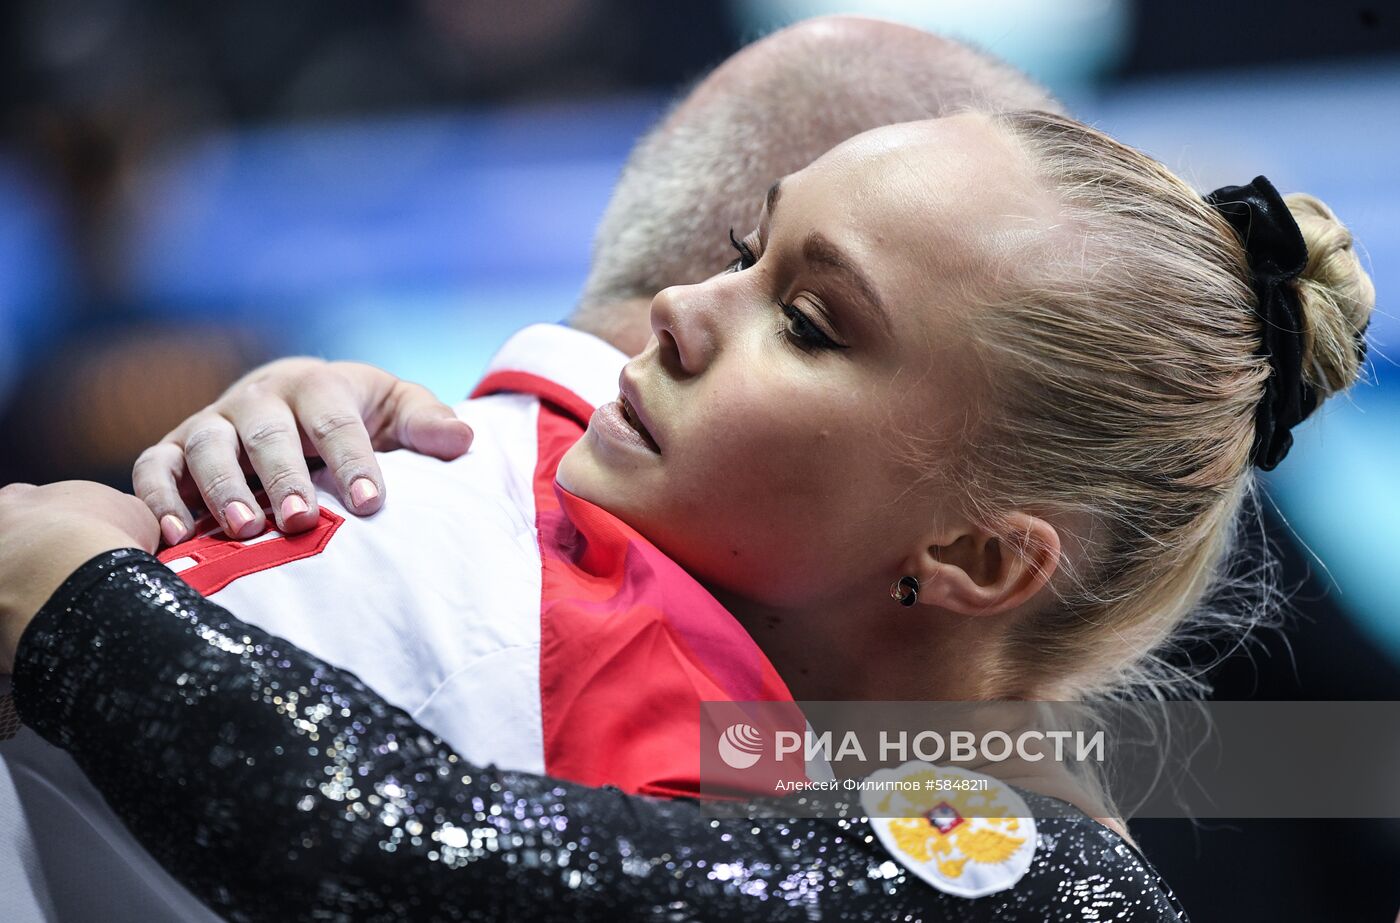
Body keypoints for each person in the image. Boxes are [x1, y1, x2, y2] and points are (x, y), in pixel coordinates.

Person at [0, 106, 1374, 920]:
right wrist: (344, 478)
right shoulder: (772, 710)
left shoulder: (1044, 889)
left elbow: (424, 864)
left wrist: (76, 601)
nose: (680, 312)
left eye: (811, 321)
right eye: (745, 251)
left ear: (972, 552)